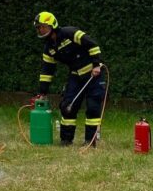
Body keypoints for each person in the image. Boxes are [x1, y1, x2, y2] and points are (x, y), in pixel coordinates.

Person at [33, 11, 105, 147]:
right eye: (38, 27)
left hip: (93, 74)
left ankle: (90, 141)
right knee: (67, 106)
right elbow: (47, 71)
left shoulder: (70, 33)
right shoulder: (49, 48)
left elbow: (93, 45)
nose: (40, 30)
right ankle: (66, 140)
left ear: (52, 25)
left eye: (43, 26)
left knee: (93, 107)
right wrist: (43, 92)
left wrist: (96, 65)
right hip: (75, 75)